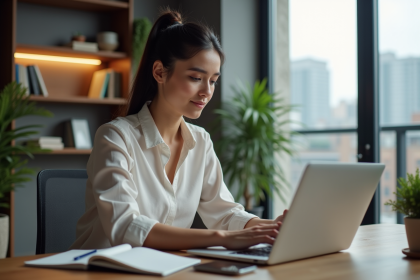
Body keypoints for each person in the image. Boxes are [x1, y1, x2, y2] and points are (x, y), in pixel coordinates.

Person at [70, 9, 287, 251]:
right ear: (160, 72)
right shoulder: (116, 137)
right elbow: (125, 226)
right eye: (196, 77)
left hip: (166, 269)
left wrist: (270, 227)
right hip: (102, 271)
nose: (207, 91)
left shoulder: (200, 141)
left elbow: (224, 212)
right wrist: (222, 239)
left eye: (213, 80)